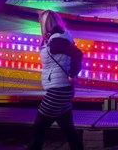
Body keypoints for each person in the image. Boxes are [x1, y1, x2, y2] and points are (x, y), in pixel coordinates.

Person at [29, 10, 84, 150]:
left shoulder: (56, 41)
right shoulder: (57, 38)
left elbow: (78, 54)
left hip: (57, 91)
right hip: (62, 90)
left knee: (38, 130)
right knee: (69, 130)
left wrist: (73, 75)